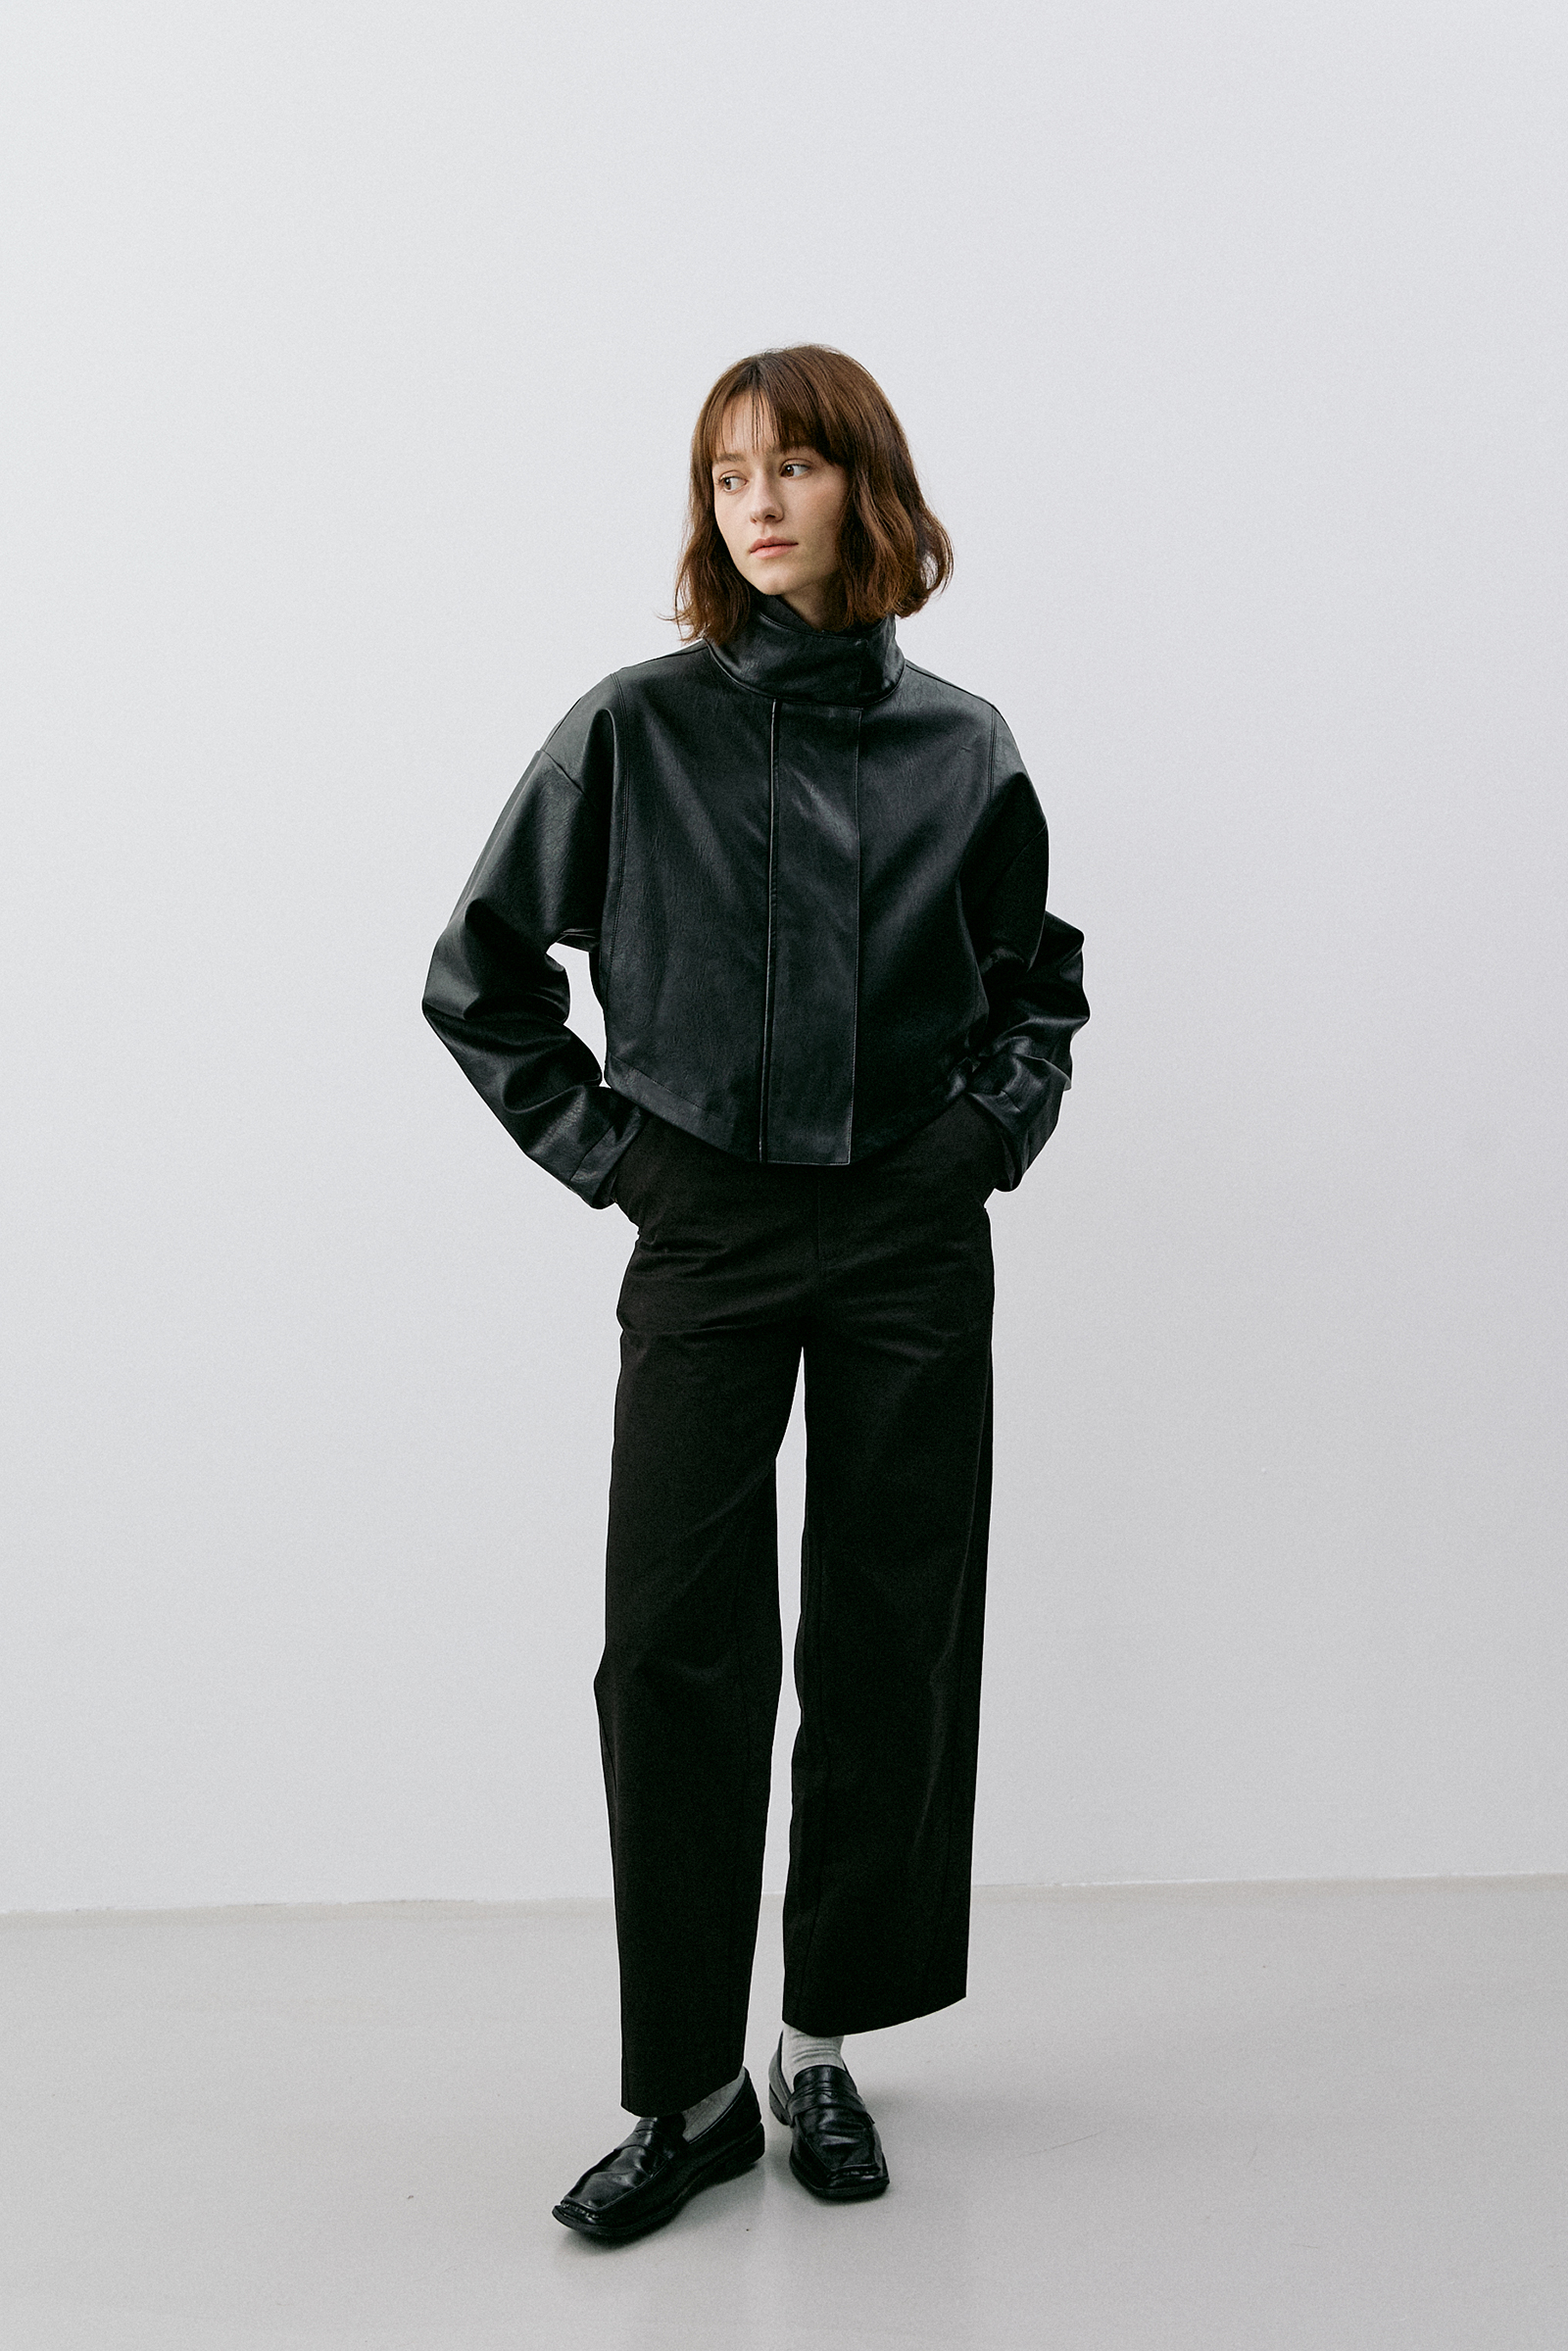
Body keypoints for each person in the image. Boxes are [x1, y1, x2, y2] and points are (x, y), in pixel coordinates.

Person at [422, 345, 1089, 2243]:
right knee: (672, 1648)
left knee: (890, 1639)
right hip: (704, 1226)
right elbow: (478, 978)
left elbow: (1035, 986)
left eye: (792, 466)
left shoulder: (961, 746)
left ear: (865, 487)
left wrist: (980, 1139)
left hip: (907, 1237)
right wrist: (623, 1157)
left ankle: (819, 2049)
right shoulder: (632, 731)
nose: (758, 504)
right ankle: (690, 2095)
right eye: (727, 477)